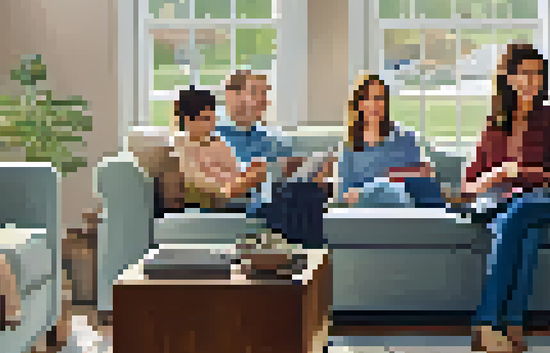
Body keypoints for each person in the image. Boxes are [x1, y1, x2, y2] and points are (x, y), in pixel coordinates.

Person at [461, 44, 550, 353]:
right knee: (527, 233)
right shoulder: (494, 124)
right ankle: (513, 323)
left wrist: (520, 171)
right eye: (524, 74)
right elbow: (468, 185)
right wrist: (493, 175)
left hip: (545, 200)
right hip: (504, 203)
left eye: (537, 74)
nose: (532, 81)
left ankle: (486, 321)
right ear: (509, 79)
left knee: (517, 214)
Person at [214, 69, 327, 247]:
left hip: (279, 196)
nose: (263, 101)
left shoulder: (273, 138)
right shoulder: (213, 135)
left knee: (309, 191)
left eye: (265, 94)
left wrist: (315, 171)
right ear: (231, 96)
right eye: (254, 93)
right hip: (248, 200)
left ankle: (308, 263)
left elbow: (291, 172)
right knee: (297, 198)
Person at [336, 74, 445, 208]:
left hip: (407, 213)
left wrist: (392, 176)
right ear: (359, 104)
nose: (374, 104)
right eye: (368, 98)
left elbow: (425, 178)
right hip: (366, 215)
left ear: (386, 103)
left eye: (379, 98)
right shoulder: (349, 147)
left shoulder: (406, 139)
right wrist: (376, 190)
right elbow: (344, 194)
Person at [166, 87, 268, 212]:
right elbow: (204, 189)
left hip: (240, 197)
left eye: (213, 119)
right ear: (188, 120)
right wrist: (246, 182)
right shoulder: (181, 148)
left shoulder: (217, 142)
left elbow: (237, 172)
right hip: (216, 205)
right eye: (206, 119)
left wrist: (252, 173)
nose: (212, 125)